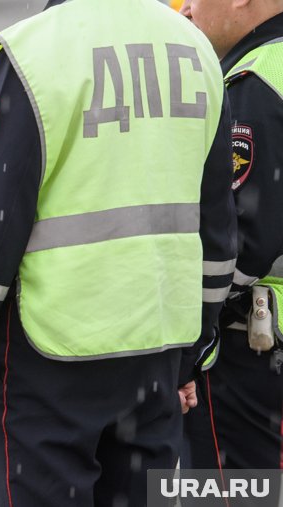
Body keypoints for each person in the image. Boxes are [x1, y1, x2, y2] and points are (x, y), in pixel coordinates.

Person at [0, 0, 237, 505]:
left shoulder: (32, 52)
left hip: (53, 353)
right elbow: (216, 228)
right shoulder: (192, 47)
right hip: (155, 346)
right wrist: (192, 354)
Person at [179, 0, 283, 474]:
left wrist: (192, 333)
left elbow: (244, 237)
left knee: (223, 491)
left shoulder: (256, 79)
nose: (187, 9)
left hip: (253, 352)